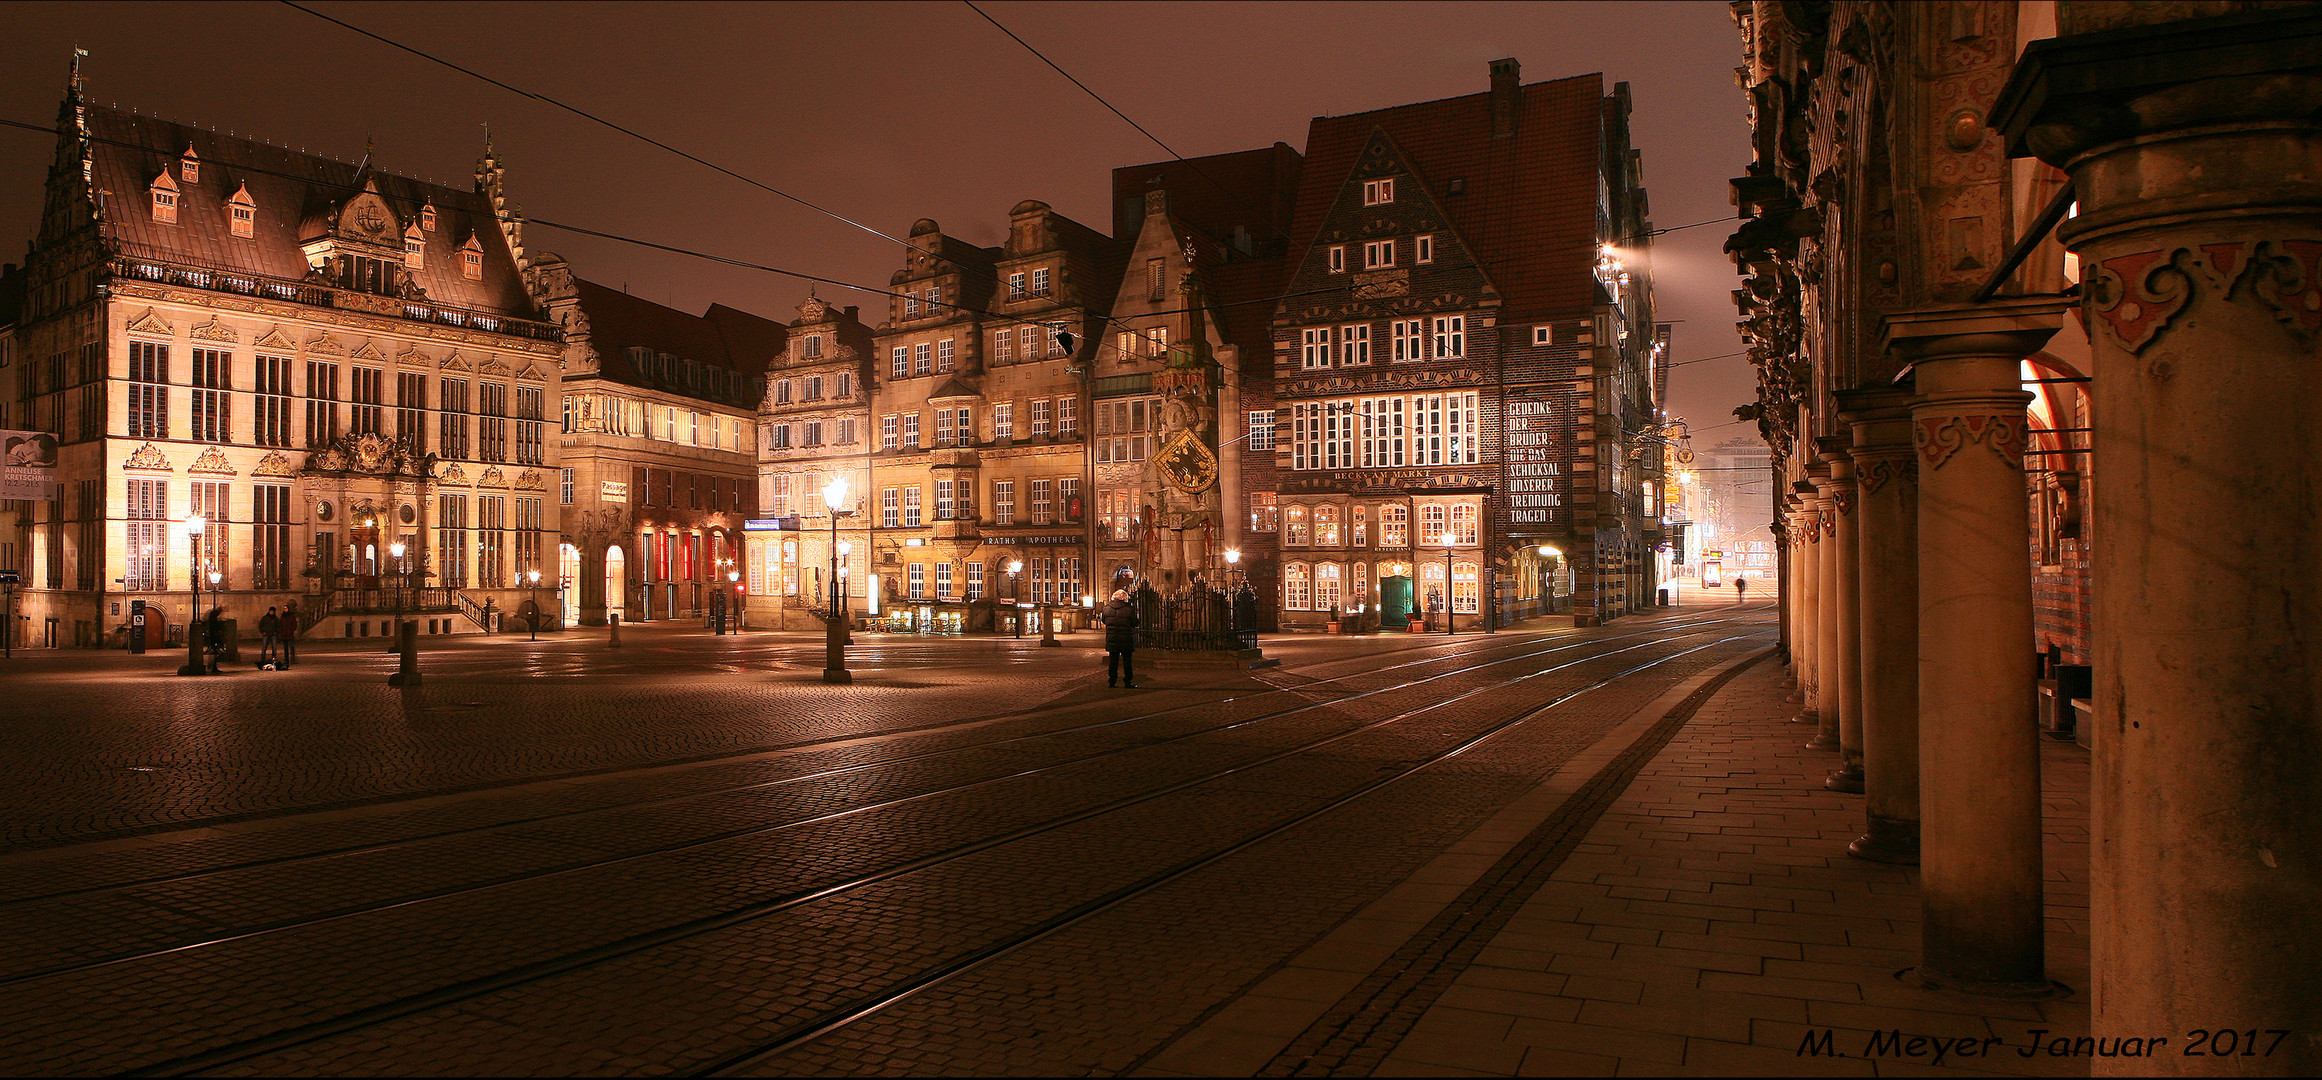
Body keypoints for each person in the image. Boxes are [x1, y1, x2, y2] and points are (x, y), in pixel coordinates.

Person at [1102, 588, 1139, 688]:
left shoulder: (1106, 608)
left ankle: (1112, 681)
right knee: (1127, 662)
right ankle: (1127, 682)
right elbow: (1135, 622)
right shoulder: (1129, 609)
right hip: (1126, 638)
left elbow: (1104, 621)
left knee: (1113, 662)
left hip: (1112, 638)